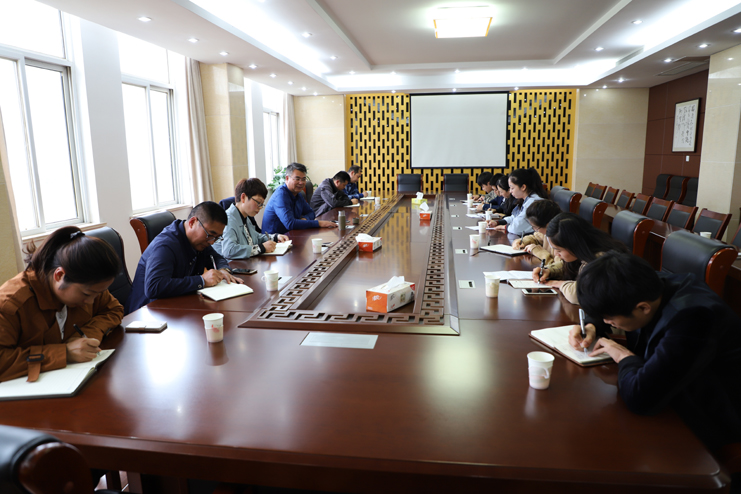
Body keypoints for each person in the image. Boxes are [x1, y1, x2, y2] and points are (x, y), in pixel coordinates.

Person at [568, 252, 741, 452]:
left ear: (643, 308)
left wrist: (624, 356)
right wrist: (592, 325)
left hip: (709, 415)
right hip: (672, 389)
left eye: (610, 319)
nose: (608, 323)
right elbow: (614, 302)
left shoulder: (693, 318)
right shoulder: (646, 284)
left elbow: (641, 398)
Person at [0, 227, 124, 382]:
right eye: (86, 294)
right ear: (59, 275)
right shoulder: (10, 304)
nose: (91, 301)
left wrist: (86, 335)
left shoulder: (90, 286)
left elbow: (113, 309)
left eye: (98, 294)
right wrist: (64, 353)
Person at [126, 201, 243, 314]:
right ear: (192, 222)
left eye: (217, 238)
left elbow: (216, 257)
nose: (212, 242)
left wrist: (223, 269)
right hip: (147, 314)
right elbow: (154, 287)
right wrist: (201, 281)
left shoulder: (200, 241)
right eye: (210, 235)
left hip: (176, 307)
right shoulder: (165, 245)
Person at [534, 212, 627, 304]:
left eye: (559, 250)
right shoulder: (585, 250)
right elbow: (572, 265)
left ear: (574, 245)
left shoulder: (602, 260)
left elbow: (579, 295)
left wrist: (558, 284)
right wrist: (549, 271)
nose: (556, 254)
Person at [214, 178, 290, 259]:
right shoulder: (229, 219)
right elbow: (229, 250)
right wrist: (261, 248)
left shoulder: (246, 217)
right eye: (258, 202)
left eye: (262, 204)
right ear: (243, 197)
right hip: (233, 265)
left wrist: (275, 237)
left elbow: (255, 237)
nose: (260, 207)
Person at [262, 162, 337, 234]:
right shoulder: (281, 195)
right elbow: (290, 224)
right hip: (274, 240)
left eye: (303, 179)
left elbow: (311, 213)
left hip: (291, 235)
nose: (301, 183)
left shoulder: (298, 194)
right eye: (297, 179)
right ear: (287, 178)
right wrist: (318, 223)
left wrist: (305, 219)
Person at [488, 168, 546, 235]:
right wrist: (498, 222)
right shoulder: (524, 200)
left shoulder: (533, 202)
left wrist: (505, 227)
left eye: (512, 188)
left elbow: (516, 227)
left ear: (523, 187)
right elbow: (514, 217)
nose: (510, 191)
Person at [512, 199, 562, 265]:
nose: (535, 230)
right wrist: (523, 241)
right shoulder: (546, 232)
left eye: (536, 227)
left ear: (548, 225)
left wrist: (539, 252)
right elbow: (536, 237)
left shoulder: (562, 239)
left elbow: (557, 267)